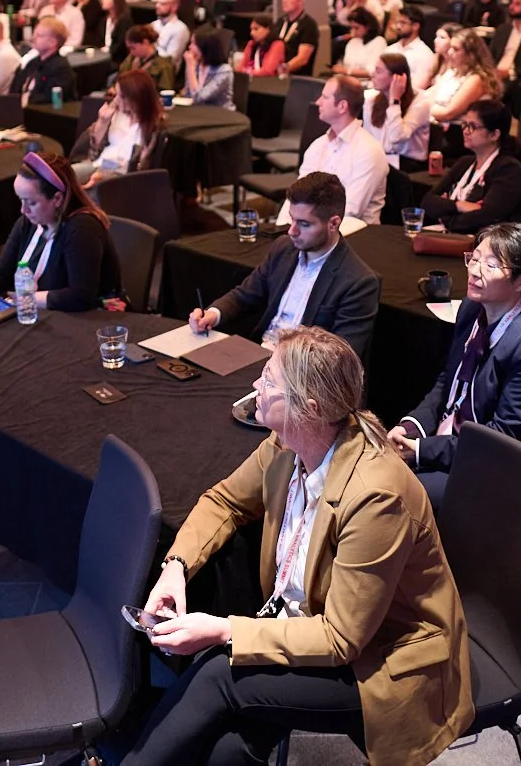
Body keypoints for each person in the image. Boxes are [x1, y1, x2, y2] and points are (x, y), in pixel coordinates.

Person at [129, 325, 470, 766]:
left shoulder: (376, 496)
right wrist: (175, 566)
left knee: (219, 671)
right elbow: (225, 500)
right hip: (310, 622)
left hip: (386, 658)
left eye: (268, 380)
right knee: (226, 749)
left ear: (307, 408)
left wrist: (225, 629)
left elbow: (341, 638)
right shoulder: (289, 441)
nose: (255, 384)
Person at [390, 222, 521, 507]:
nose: (473, 271)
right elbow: (449, 381)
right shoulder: (472, 309)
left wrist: (422, 451)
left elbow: (502, 439)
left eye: (491, 265)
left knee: (393, 494)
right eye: (474, 258)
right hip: (454, 445)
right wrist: (413, 427)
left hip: (495, 470)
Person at [188, 172, 381, 356]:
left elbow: (340, 357)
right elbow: (245, 295)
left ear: (333, 223)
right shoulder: (283, 248)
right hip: (258, 353)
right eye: (292, 220)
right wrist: (214, 314)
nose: (292, 231)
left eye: (304, 224)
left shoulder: (358, 282)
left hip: (300, 375)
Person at [0, 151, 121, 314]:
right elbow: (0, 272)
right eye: (21, 200)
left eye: (31, 202)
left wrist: (25, 298)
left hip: (96, 319)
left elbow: (81, 296)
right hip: (47, 314)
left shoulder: (82, 228)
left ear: (57, 199)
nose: (23, 210)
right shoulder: (29, 222)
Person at [419, 99, 521, 233]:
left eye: (473, 126)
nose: (466, 131)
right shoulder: (464, 163)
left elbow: (487, 218)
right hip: (453, 236)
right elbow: (427, 202)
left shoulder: (509, 170)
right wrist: (459, 206)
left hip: (487, 247)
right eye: (465, 124)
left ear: (494, 134)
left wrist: (446, 217)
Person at [297, 77, 389, 224]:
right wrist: (285, 228)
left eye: (325, 97)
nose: (318, 102)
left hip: (355, 238)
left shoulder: (369, 151)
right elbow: (297, 196)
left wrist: (305, 226)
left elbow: (350, 210)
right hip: (311, 230)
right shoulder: (318, 145)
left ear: (342, 106)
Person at [71, 71, 163, 187]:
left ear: (135, 97)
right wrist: (102, 122)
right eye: (116, 94)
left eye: (121, 96)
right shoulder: (115, 113)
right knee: (65, 175)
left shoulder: (151, 126)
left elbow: (140, 167)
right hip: (99, 164)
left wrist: (103, 175)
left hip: (122, 175)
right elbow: (93, 151)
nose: (117, 99)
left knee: (96, 187)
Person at [366, 52, 433, 170]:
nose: (372, 74)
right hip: (381, 159)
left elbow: (397, 137)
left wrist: (395, 101)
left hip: (408, 163)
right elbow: (368, 139)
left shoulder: (421, 103)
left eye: (378, 71)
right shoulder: (371, 100)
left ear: (397, 78)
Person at [425, 29, 499, 130]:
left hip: (460, 132)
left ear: (470, 54)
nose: (450, 52)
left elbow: (449, 113)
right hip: (438, 126)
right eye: (450, 47)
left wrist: (422, 109)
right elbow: (426, 96)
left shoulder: (476, 79)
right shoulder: (451, 72)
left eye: (455, 49)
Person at [11, 16, 78, 102]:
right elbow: (16, 90)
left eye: (39, 36)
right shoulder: (32, 63)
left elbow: (49, 99)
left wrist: (26, 99)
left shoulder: (61, 68)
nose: (33, 38)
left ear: (52, 42)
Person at [117, 23, 178, 93]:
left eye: (133, 48)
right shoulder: (131, 59)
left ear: (145, 42)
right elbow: (119, 77)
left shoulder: (164, 64)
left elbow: (165, 91)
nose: (131, 52)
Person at [182, 30, 236, 107]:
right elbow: (188, 95)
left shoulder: (224, 71)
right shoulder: (196, 65)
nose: (190, 47)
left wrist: (190, 68)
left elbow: (198, 98)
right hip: (199, 113)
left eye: (194, 43)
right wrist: (190, 68)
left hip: (220, 115)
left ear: (205, 47)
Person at [332, 8, 387, 83]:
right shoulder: (352, 42)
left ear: (368, 27)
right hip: (349, 83)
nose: (353, 31)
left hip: (369, 84)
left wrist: (347, 71)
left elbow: (371, 71)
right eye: (351, 28)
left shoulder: (379, 42)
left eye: (356, 28)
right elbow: (346, 65)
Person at [274, 0, 319, 75]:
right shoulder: (280, 22)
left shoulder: (308, 24)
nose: (284, 1)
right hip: (277, 74)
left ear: (300, 1)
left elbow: (303, 58)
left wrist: (283, 69)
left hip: (297, 77)